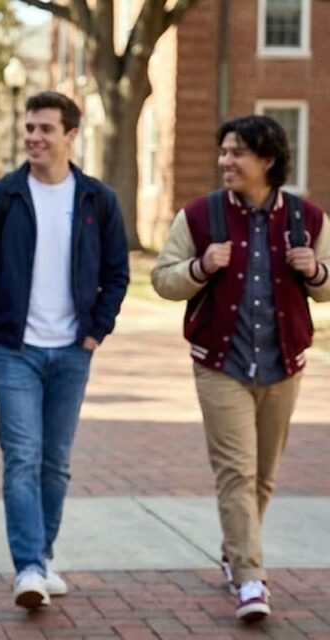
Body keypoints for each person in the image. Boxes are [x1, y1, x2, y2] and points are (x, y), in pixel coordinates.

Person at [151, 115, 330, 623]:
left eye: (238, 153)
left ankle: (236, 550)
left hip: (284, 363)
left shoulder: (308, 218)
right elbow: (163, 279)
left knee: (265, 478)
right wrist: (201, 267)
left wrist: (314, 270)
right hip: (220, 363)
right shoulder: (200, 215)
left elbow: (328, 283)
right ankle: (251, 577)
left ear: (267, 161)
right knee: (236, 472)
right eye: (223, 152)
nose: (226, 162)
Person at [0, 91, 129, 611]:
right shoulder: (0, 197)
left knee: (55, 461)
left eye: (45, 129)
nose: (34, 136)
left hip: (73, 351)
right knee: (22, 458)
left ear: (70, 136)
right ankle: (29, 566)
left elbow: (116, 272)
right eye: (29, 127)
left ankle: (45, 555)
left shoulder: (97, 200)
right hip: (14, 349)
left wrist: (97, 330)